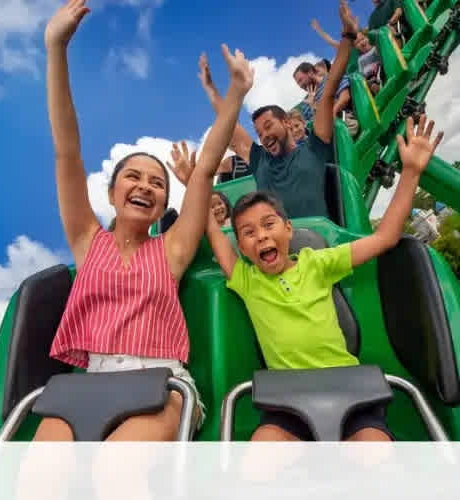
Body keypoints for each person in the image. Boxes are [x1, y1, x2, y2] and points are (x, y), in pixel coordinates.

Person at [32, 0, 254, 442]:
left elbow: (207, 168)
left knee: (120, 475)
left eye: (157, 183)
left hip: (159, 382)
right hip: (90, 383)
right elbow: (67, 149)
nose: (146, 186)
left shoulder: (171, 249)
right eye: (133, 177)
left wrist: (236, 94)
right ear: (113, 193)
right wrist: (55, 47)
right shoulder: (86, 238)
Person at [205, 115, 444, 441]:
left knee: (375, 453)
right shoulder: (246, 280)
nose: (260, 236)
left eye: (269, 224)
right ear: (242, 247)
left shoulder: (317, 262)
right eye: (248, 232)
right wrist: (199, 182)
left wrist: (412, 172)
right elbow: (213, 233)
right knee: (260, 455)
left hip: (347, 385)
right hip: (286, 399)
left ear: (288, 229)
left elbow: (385, 238)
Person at [199, 0, 359, 220]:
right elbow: (231, 126)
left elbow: (330, 90)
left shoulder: (314, 147)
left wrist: (349, 36)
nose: (264, 136)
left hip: (319, 245)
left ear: (285, 122)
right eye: (259, 133)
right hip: (276, 247)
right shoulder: (260, 161)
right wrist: (210, 89)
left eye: (268, 126)